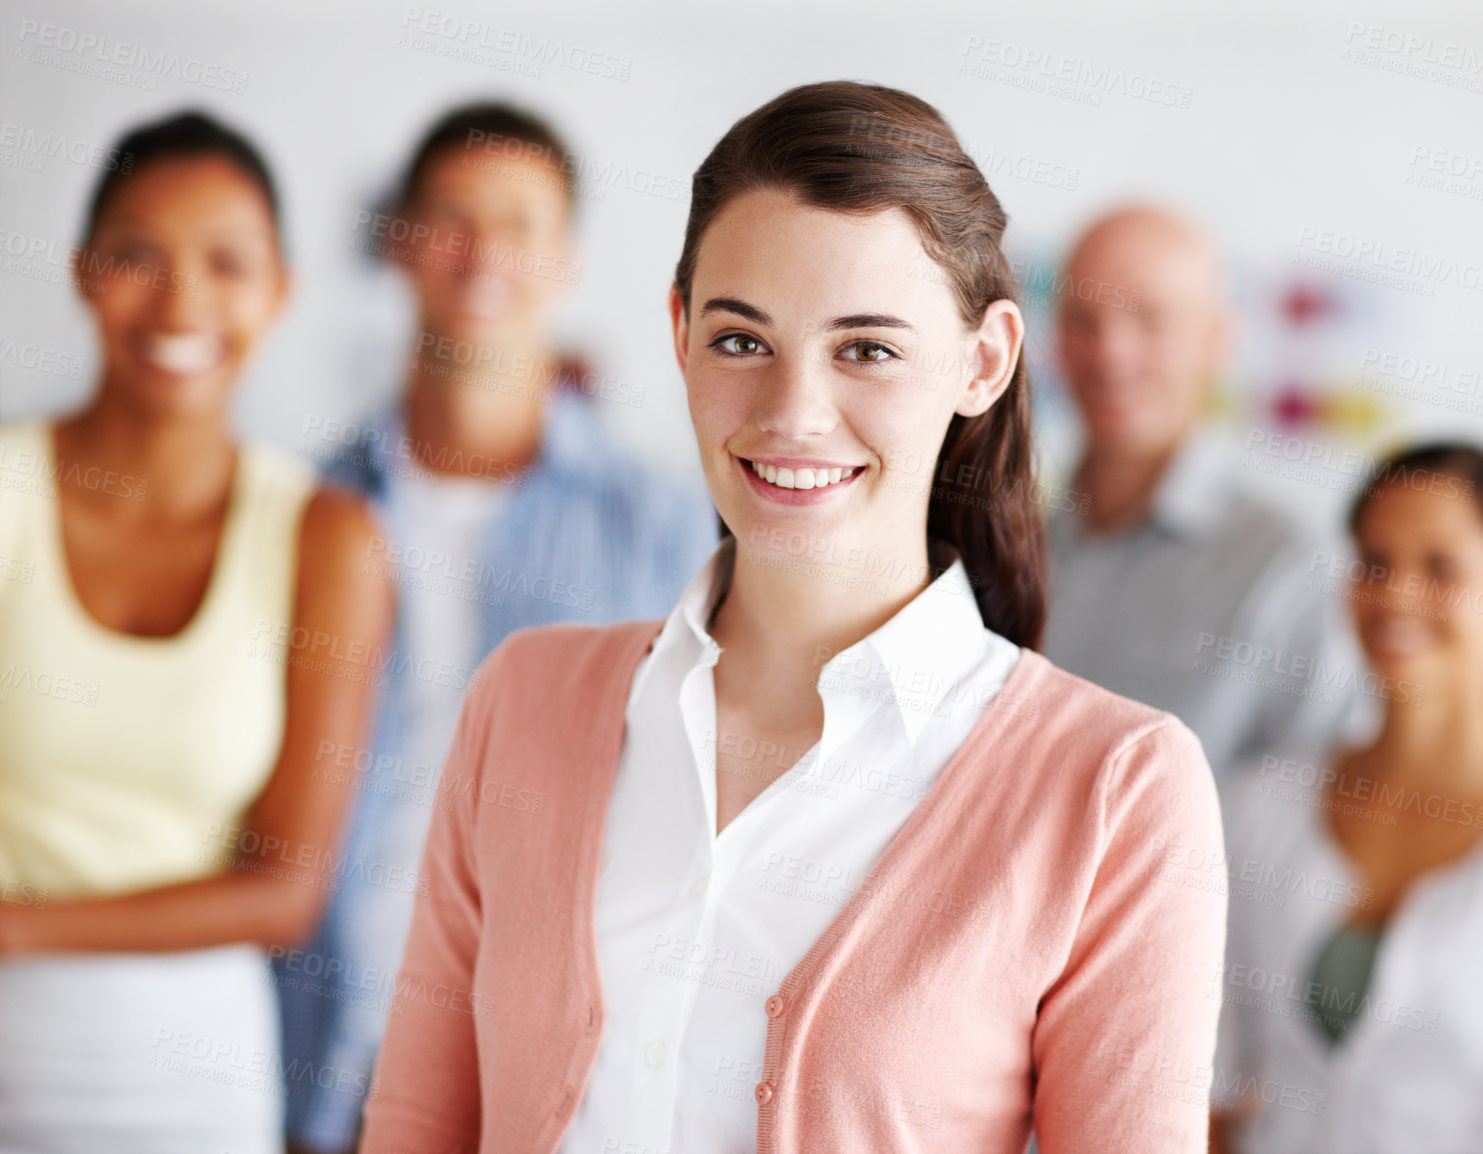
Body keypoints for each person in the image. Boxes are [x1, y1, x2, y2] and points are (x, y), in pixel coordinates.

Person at [358, 81, 1226, 1153]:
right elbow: (414, 1128)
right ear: (679, 331)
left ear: (983, 360)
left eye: (865, 348)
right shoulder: (523, 700)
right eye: (740, 340)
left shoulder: (1117, 789)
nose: (792, 413)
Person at [277, 103, 716, 1154]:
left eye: (518, 225)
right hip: (321, 1052)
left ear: (565, 260)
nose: (483, 256)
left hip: (558, 1080)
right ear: (398, 240)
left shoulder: (666, 524)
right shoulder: (306, 506)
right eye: (451, 219)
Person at [0, 112, 390, 1151]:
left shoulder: (328, 538)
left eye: (227, 262)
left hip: (199, 1085)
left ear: (279, 292)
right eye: (139, 255)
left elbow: (286, 889)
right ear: (84, 270)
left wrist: (16, 927)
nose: (182, 300)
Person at [1211, 444, 1483, 1154]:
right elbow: (1206, 1093)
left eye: (1441, 568)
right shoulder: (1255, 805)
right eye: (1374, 564)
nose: (1396, 595)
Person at [1043, 206, 1365, 777]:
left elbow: (1316, 811)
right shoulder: (1005, 536)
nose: (1111, 353)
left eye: (1150, 319)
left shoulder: (1292, 568)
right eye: (1082, 320)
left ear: (1218, 339)